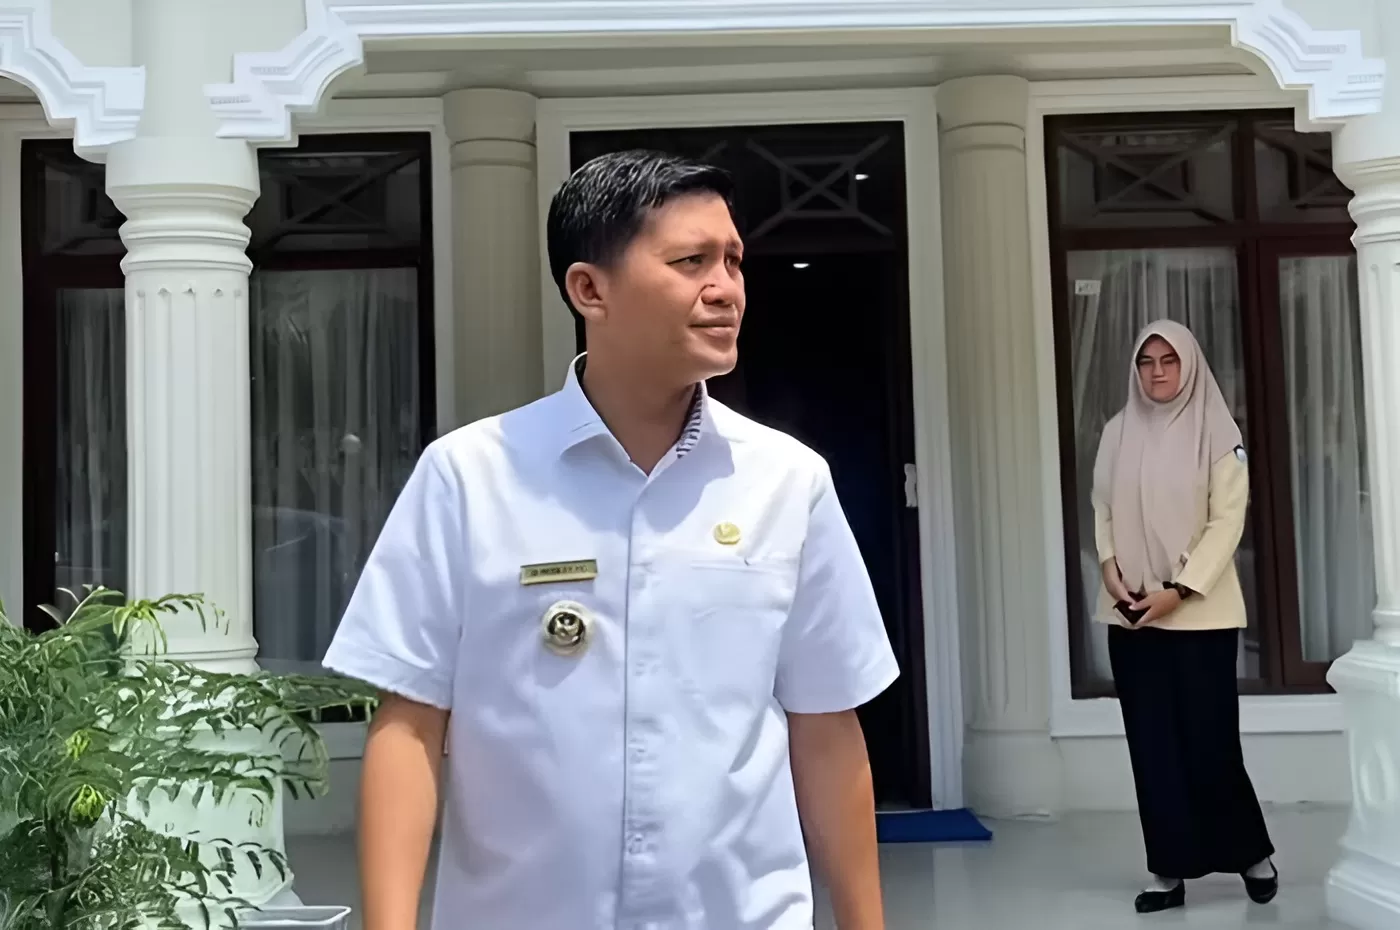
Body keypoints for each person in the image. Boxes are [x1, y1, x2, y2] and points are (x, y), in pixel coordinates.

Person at [323, 149, 898, 930]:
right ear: (589, 289)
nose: (726, 288)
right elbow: (412, 722)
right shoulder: (470, 476)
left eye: (733, 261)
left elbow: (825, 724)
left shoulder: (787, 482)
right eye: (691, 261)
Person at [1091, 319, 1278, 914]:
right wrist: (1109, 568)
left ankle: (1251, 854)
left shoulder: (1218, 433)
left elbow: (1228, 521)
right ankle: (1168, 870)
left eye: (1169, 360)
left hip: (1201, 617)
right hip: (1133, 616)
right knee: (1153, 749)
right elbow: (1102, 508)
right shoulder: (1117, 431)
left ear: (1189, 365)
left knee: (1211, 743)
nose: (1157, 372)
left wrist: (1180, 589)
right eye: (1147, 362)